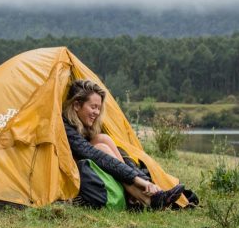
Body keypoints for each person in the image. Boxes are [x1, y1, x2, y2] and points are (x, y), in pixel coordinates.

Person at [62, 79, 166, 208]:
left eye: (99, 108)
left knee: (103, 139)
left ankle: (142, 193)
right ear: (77, 105)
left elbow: (117, 157)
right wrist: (137, 180)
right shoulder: (64, 127)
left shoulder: (84, 127)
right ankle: (144, 199)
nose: (97, 113)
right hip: (72, 175)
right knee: (101, 148)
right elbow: (92, 154)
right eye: (93, 107)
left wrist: (144, 180)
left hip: (87, 168)